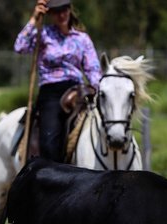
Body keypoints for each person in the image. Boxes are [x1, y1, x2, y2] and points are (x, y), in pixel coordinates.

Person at [14, 0, 102, 163]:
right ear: (50, 14)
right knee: (49, 140)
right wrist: (34, 18)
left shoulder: (82, 39)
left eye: (64, 10)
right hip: (51, 91)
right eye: (56, 11)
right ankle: (49, 172)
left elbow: (93, 69)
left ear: (70, 10)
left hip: (77, 90)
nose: (61, 15)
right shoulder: (43, 34)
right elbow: (20, 46)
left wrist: (99, 90)